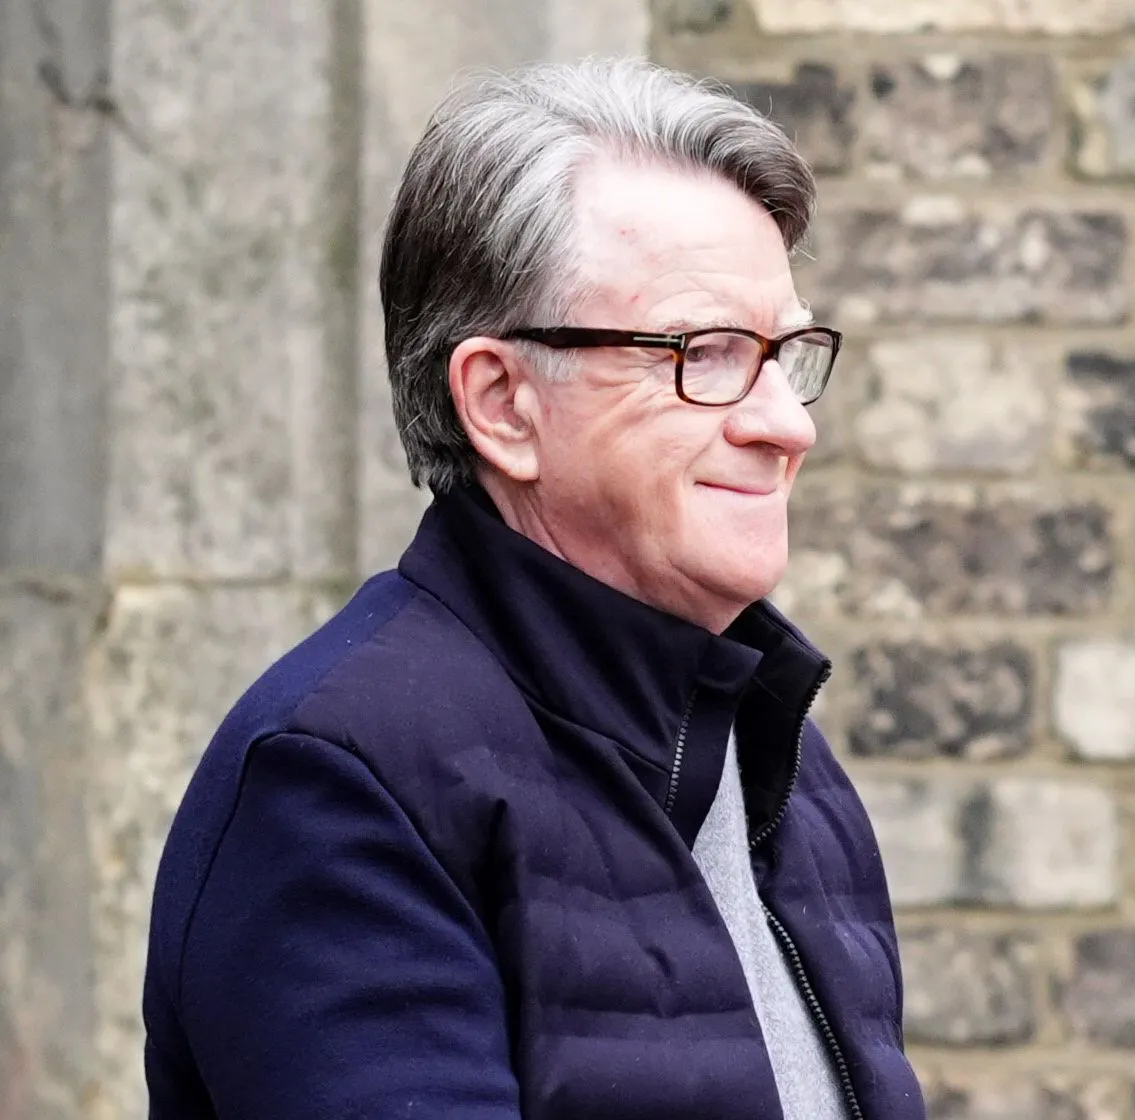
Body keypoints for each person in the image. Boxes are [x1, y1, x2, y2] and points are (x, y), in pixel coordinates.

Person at [141, 57, 924, 1119]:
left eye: (787, 354)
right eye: (708, 354)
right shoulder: (343, 779)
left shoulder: (783, 758)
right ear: (502, 402)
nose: (788, 422)